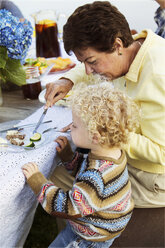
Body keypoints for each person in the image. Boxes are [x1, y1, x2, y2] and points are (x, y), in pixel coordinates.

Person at [44, 1, 165, 208]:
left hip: (154, 181)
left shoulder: (157, 75)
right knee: (76, 151)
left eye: (91, 62)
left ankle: (85, 237)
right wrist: (69, 79)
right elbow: (94, 64)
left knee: (60, 178)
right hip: (129, 161)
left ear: (117, 45)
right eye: (84, 63)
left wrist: (106, 131)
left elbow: (161, 153)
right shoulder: (134, 46)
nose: (89, 71)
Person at [22, 83, 139, 248]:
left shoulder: (96, 175)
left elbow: (68, 207)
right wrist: (69, 157)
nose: (70, 129)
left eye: (75, 126)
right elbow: (86, 172)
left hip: (89, 238)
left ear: (95, 137)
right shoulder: (112, 154)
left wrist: (38, 181)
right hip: (102, 225)